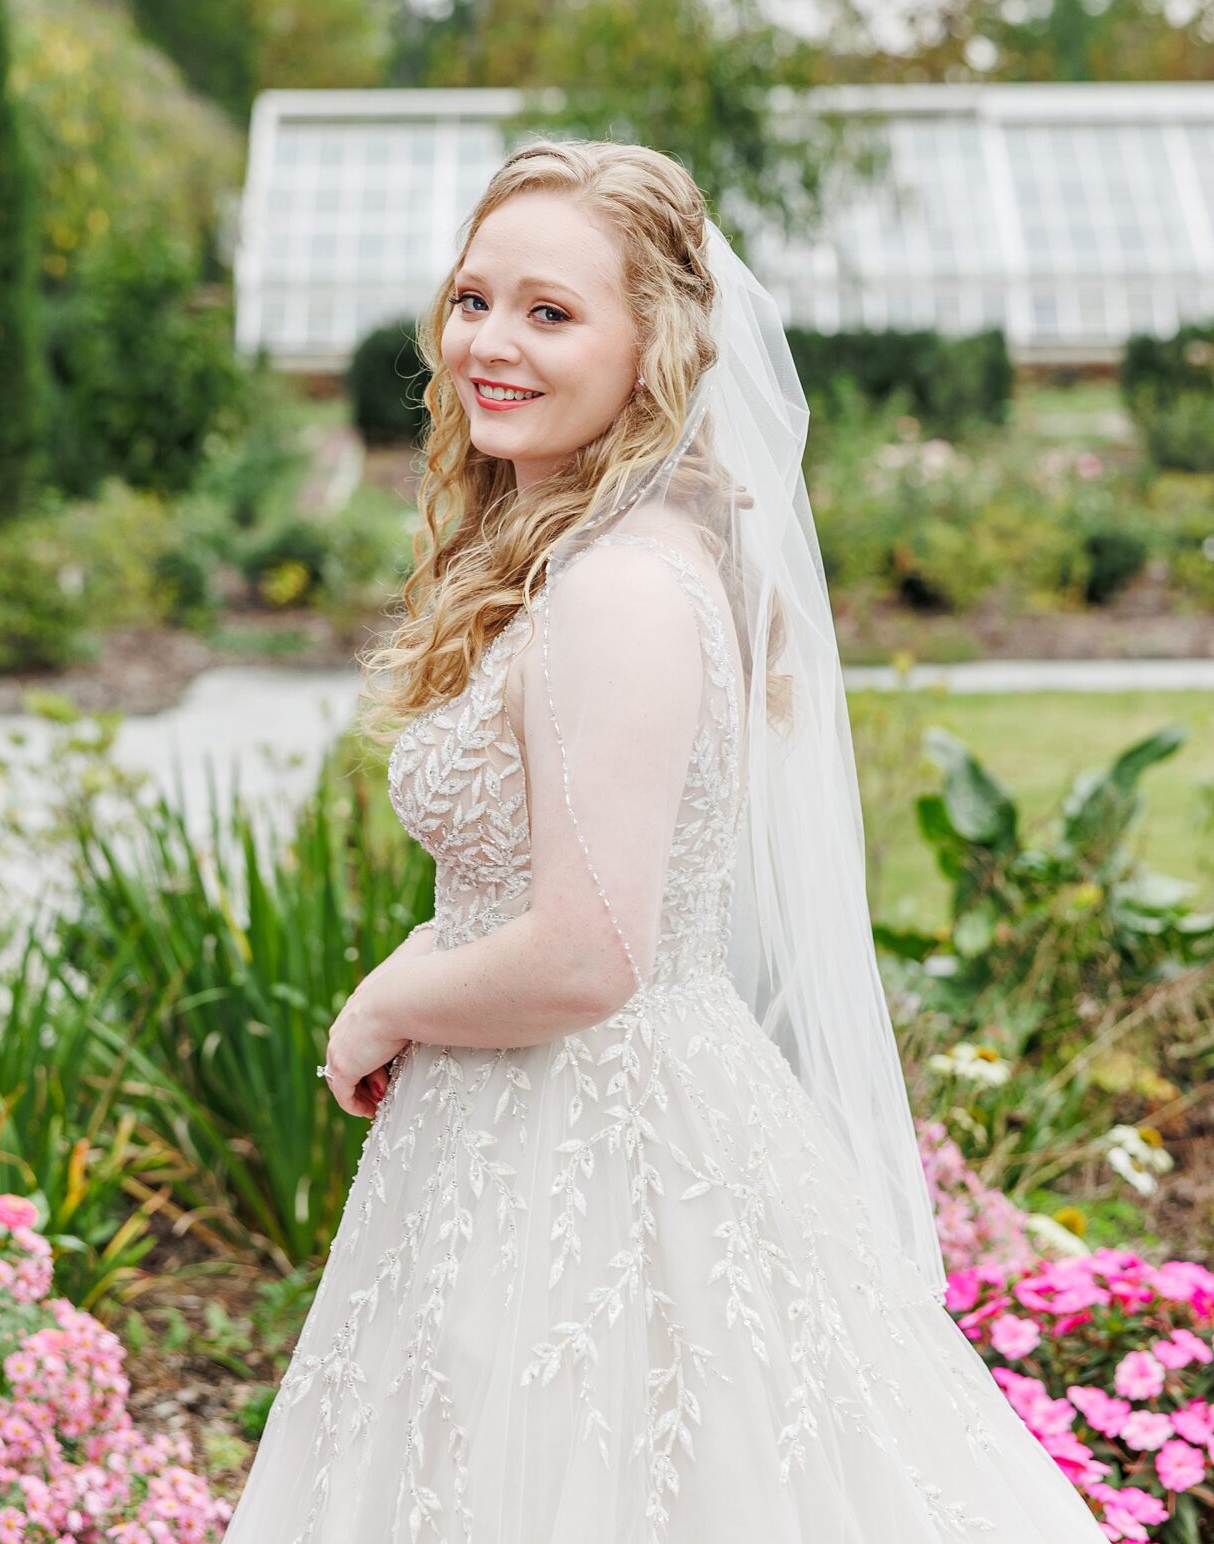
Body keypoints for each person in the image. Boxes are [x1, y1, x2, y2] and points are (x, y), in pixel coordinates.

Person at [222, 140, 1105, 1541]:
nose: (489, 345)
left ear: (655, 348)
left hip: (591, 1128)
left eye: (550, 312)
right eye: (474, 300)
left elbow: (589, 953)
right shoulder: (603, 553)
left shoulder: (618, 588)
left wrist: (382, 1000)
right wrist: (434, 958)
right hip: (523, 1124)